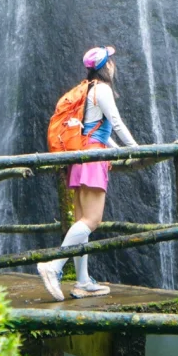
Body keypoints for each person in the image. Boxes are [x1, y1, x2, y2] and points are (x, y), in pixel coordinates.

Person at [38, 45, 137, 300]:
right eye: (112, 61)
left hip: (83, 157)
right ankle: (54, 266)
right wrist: (137, 150)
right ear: (106, 66)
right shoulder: (102, 89)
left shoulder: (88, 90)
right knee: (92, 221)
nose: (114, 65)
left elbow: (97, 131)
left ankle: (82, 281)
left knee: (81, 222)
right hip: (92, 159)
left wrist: (118, 151)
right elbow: (115, 123)